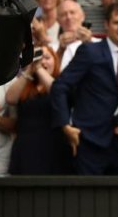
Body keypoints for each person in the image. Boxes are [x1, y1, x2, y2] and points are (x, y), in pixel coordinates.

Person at [51, 3, 118, 175]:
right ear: (107, 25)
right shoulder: (89, 51)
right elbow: (60, 86)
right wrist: (65, 125)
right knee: (85, 200)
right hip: (88, 141)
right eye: (116, 23)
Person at [6, 46, 73, 175]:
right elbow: (10, 98)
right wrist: (29, 71)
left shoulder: (61, 83)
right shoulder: (26, 83)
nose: (42, 62)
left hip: (54, 147)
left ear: (55, 60)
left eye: (47, 58)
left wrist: (38, 68)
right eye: (38, 58)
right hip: (26, 148)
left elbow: (56, 92)